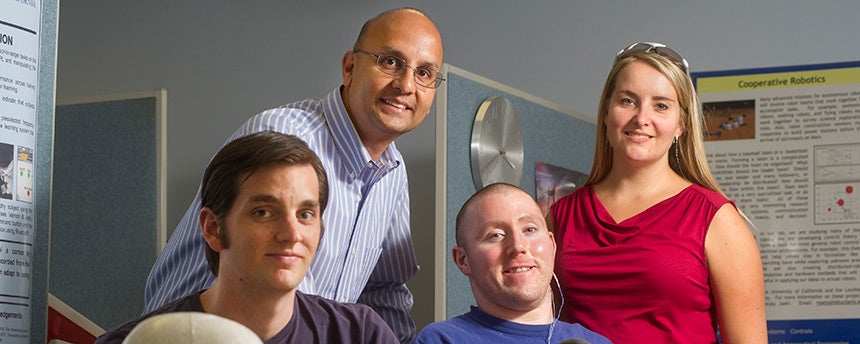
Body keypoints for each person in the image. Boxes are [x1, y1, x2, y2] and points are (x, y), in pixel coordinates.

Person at [143, 7, 444, 342]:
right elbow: (272, 290)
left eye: (425, 73)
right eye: (390, 62)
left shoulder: (392, 171)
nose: (405, 85)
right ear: (349, 67)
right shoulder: (283, 136)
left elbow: (384, 293)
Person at [548, 42, 767, 343]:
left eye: (661, 105)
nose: (641, 118)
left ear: (681, 125)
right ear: (606, 113)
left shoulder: (717, 219)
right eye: (627, 101)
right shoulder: (560, 215)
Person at [97, 131, 398, 343]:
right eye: (263, 213)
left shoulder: (360, 334)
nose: (291, 234)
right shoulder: (133, 342)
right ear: (213, 229)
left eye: (305, 215)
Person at [415, 183, 611, 344]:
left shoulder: (595, 342)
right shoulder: (440, 340)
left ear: (552, 245)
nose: (518, 246)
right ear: (463, 260)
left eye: (530, 230)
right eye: (495, 235)